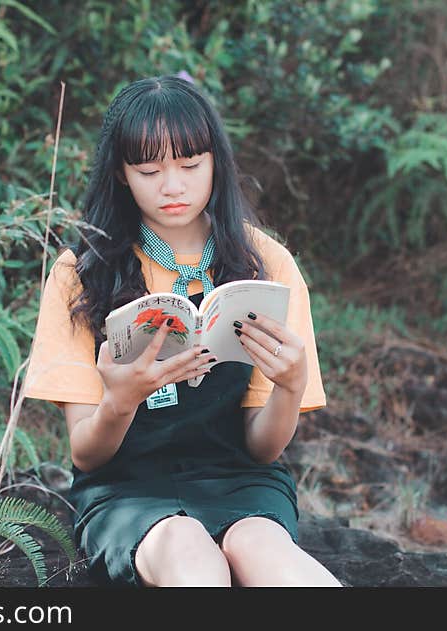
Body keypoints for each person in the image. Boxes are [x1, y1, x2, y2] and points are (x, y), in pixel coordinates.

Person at [23, 74, 342, 587]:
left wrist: (290, 384)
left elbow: (263, 449)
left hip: (241, 480)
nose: (173, 186)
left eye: (191, 165)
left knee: (265, 552)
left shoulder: (267, 265)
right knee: (191, 555)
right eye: (149, 169)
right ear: (122, 174)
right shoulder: (79, 274)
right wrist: (121, 400)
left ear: (216, 161)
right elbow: (86, 453)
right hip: (127, 489)